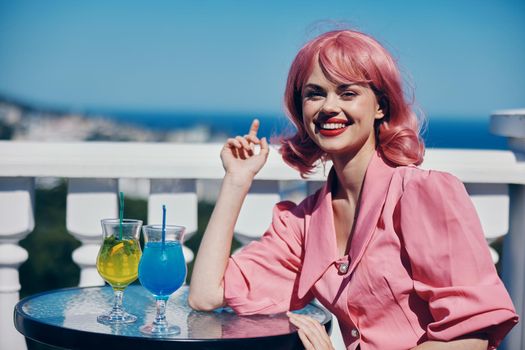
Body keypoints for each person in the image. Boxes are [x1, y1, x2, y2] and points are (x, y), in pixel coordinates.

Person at [188, 29, 518, 350]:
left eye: (348, 93)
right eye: (314, 93)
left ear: (380, 106)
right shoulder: (303, 225)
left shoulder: (421, 194)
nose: (328, 107)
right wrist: (236, 180)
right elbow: (205, 295)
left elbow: (472, 336)